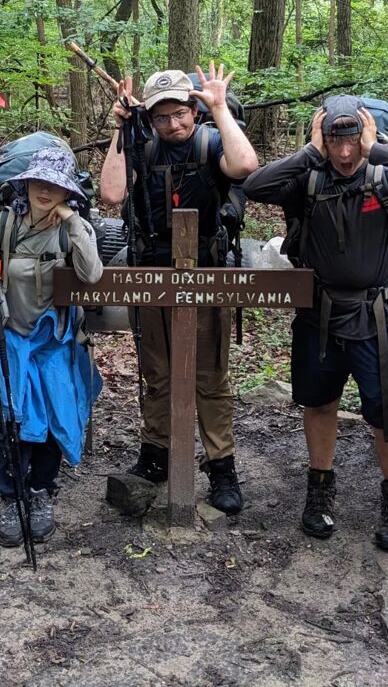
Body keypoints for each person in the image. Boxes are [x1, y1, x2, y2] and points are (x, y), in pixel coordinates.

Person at [244, 95, 388, 551]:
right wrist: (309, 153)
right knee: (319, 404)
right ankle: (319, 490)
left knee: (387, 415)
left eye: (352, 141)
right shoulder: (308, 179)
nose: (344, 154)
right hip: (318, 316)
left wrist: (376, 149)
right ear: (322, 136)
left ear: (366, 135)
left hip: (376, 317)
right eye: (335, 142)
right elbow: (255, 186)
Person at [99, 62, 259, 515]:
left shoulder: (212, 144)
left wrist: (220, 108)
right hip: (152, 271)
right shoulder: (144, 149)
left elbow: (245, 166)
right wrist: (121, 131)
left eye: (180, 113)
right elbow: (111, 194)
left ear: (193, 110)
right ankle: (156, 456)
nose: (172, 124)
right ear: (149, 118)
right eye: (161, 117)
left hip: (205, 270)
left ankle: (221, 466)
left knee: (209, 376)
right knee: (158, 371)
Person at [0, 147, 103, 547]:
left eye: (55, 185)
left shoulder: (71, 228)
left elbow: (92, 275)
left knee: (53, 419)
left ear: (67, 192)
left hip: (57, 341)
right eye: (38, 182)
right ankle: (12, 498)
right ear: (25, 184)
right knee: (13, 421)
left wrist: (74, 222)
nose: (44, 191)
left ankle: (41, 491)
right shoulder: (2, 228)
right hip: (11, 337)